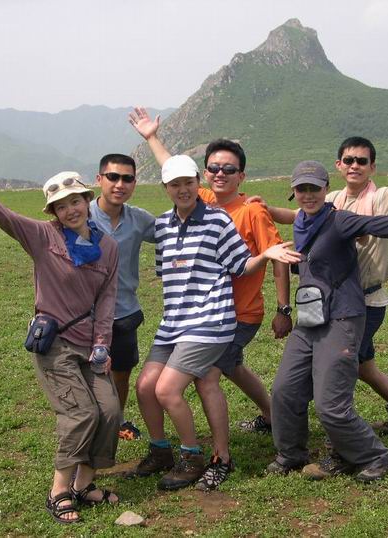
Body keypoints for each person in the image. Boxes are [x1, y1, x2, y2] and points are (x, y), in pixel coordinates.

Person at [0, 156, 121, 525]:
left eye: (75, 201)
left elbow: (107, 299)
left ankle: (84, 485)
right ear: (53, 211)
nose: (70, 210)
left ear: (87, 200)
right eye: (61, 206)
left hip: (90, 347)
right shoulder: (42, 236)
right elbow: (3, 216)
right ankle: (59, 491)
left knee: (110, 411)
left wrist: (102, 344)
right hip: (56, 345)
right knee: (80, 413)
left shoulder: (108, 248)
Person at [259, 118, 388, 434]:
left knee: (336, 366)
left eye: (362, 161)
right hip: (332, 300)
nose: (354, 166)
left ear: (372, 166)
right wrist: (264, 209)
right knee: (363, 366)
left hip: (365, 301)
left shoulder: (384, 197)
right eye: (349, 160)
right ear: (339, 165)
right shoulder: (330, 199)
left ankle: (337, 433)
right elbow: (297, 214)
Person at [129, 107, 293, 490]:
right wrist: (152, 137)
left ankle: (219, 456)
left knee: (207, 379)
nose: (220, 174)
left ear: (241, 176)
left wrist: (284, 308)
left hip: (236, 313)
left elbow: (275, 259)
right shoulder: (199, 201)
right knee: (229, 369)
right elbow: (175, 172)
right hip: (190, 317)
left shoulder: (250, 211)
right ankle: (274, 415)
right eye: (214, 169)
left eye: (228, 170)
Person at [267, 160, 388, 481]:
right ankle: (291, 454)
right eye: (302, 189)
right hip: (310, 315)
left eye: (314, 188)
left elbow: (377, 224)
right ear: (293, 192)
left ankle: (374, 456)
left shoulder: (339, 219)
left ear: (326, 189)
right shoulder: (301, 221)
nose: (308, 194)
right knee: (285, 390)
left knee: (330, 403)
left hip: (342, 316)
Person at [90, 153, 156, 441]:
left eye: (127, 178)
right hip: (87, 314)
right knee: (88, 374)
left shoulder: (139, 219)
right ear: (99, 179)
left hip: (125, 312)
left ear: (134, 183)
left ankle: (116, 420)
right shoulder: (81, 214)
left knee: (121, 373)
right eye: (113, 177)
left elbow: (176, 230)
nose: (120, 184)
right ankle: (91, 425)